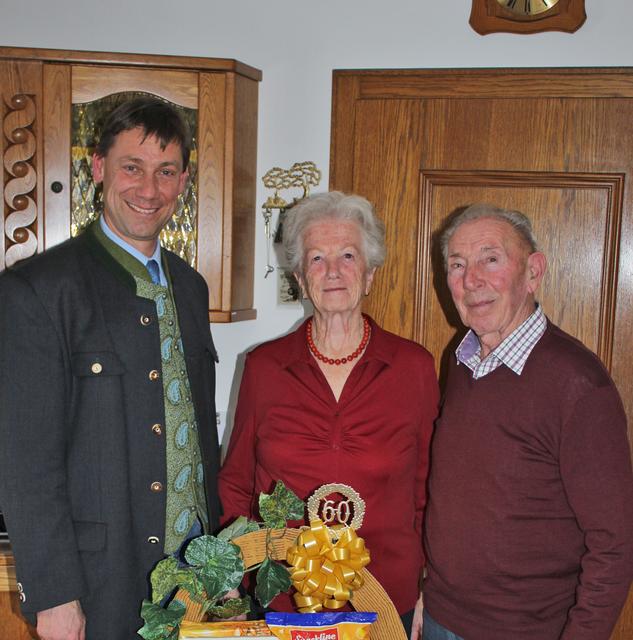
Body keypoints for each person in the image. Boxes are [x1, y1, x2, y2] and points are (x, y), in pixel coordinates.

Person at [0, 97, 222, 640]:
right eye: (132, 167)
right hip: (100, 584)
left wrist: (221, 561)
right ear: (98, 167)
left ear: (184, 180)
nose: (149, 190)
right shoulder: (40, 290)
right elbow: (27, 462)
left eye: (166, 172)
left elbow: (199, 442)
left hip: (195, 582)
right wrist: (53, 595)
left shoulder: (191, 288)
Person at [218, 191, 439, 635]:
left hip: (384, 598)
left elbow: (429, 489)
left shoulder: (413, 367)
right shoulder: (264, 367)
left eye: (348, 255)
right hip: (280, 598)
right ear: (300, 277)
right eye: (317, 258)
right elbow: (236, 481)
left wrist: (426, 587)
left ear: (371, 273)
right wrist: (229, 583)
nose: (333, 271)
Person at [412, 204, 633, 640]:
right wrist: (426, 593)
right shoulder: (459, 360)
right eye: (457, 264)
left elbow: (615, 544)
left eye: (490, 259)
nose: (471, 279)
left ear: (533, 272)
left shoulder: (578, 384)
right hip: (440, 618)